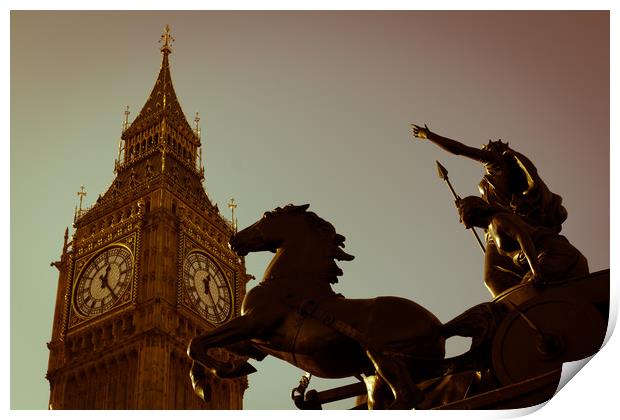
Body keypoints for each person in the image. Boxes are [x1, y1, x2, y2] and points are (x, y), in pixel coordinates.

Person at [411, 124, 568, 295]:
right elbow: (486, 204)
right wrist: (466, 206)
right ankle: (508, 308)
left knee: (509, 269)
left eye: (489, 149)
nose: (485, 151)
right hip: (490, 229)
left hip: (506, 221)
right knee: (491, 277)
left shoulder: (497, 162)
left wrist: (430, 136)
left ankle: (530, 287)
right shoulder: (489, 180)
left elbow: (460, 150)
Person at [457, 196, 588, 290]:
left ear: (470, 209)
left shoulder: (498, 220)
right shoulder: (490, 230)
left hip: (554, 253)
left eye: (460, 213)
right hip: (542, 256)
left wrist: (536, 271)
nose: (459, 220)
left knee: (525, 292)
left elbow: (524, 239)